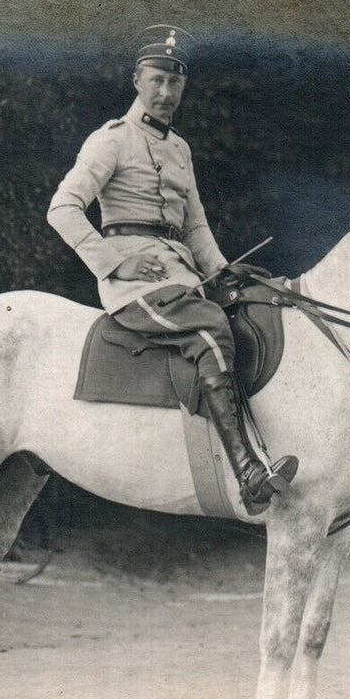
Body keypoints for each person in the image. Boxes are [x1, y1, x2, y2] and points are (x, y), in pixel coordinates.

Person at [47, 25, 298, 515]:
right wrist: (117, 261)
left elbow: (196, 225)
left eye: (175, 83)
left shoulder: (179, 149)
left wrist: (224, 271)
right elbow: (62, 208)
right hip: (134, 286)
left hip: (184, 278)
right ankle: (246, 469)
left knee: (251, 305)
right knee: (209, 330)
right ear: (137, 80)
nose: (166, 93)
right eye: (157, 80)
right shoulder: (112, 141)